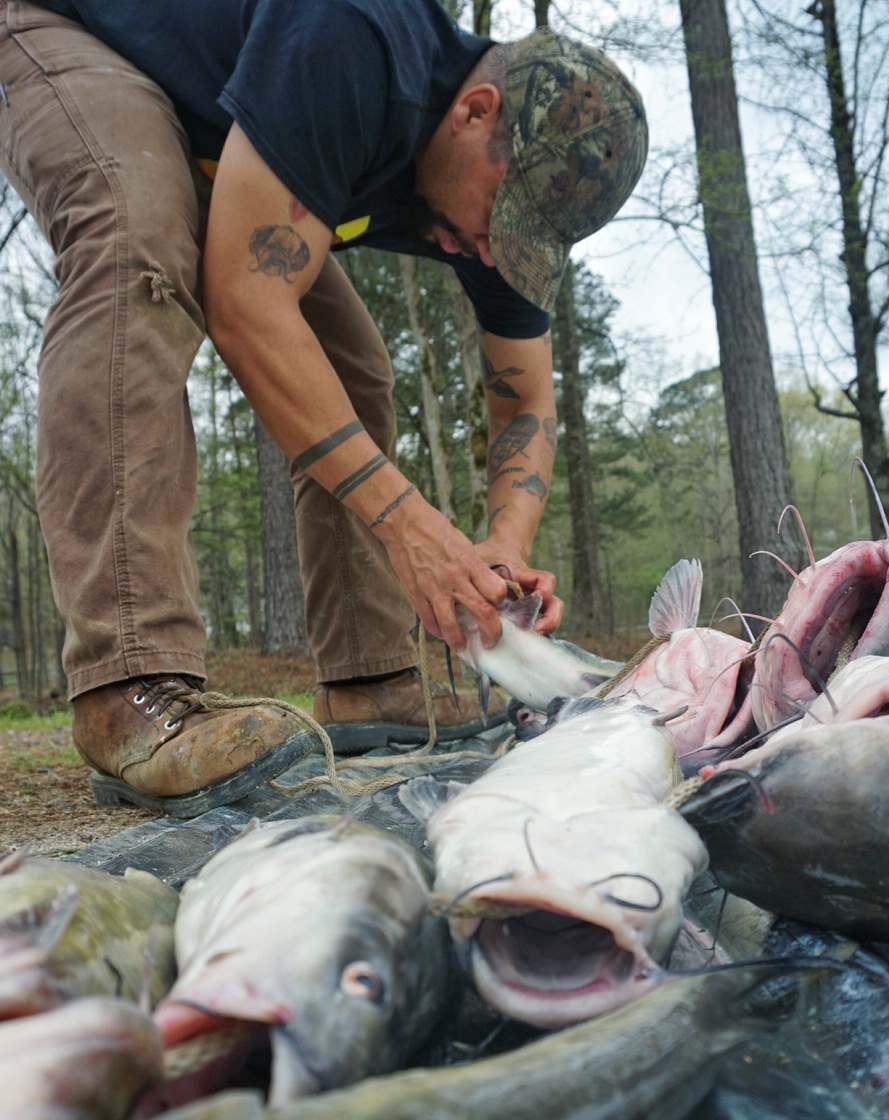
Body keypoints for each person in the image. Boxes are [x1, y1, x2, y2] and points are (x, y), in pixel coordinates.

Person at [0, 0, 647, 816]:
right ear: (475, 112)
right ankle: (128, 691)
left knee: (354, 368)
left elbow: (524, 390)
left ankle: (369, 684)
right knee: (141, 243)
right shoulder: (354, 41)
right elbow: (244, 306)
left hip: (220, 125)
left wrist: (502, 550)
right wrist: (411, 528)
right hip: (77, 27)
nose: (492, 248)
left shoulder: (488, 192)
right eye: (501, 220)